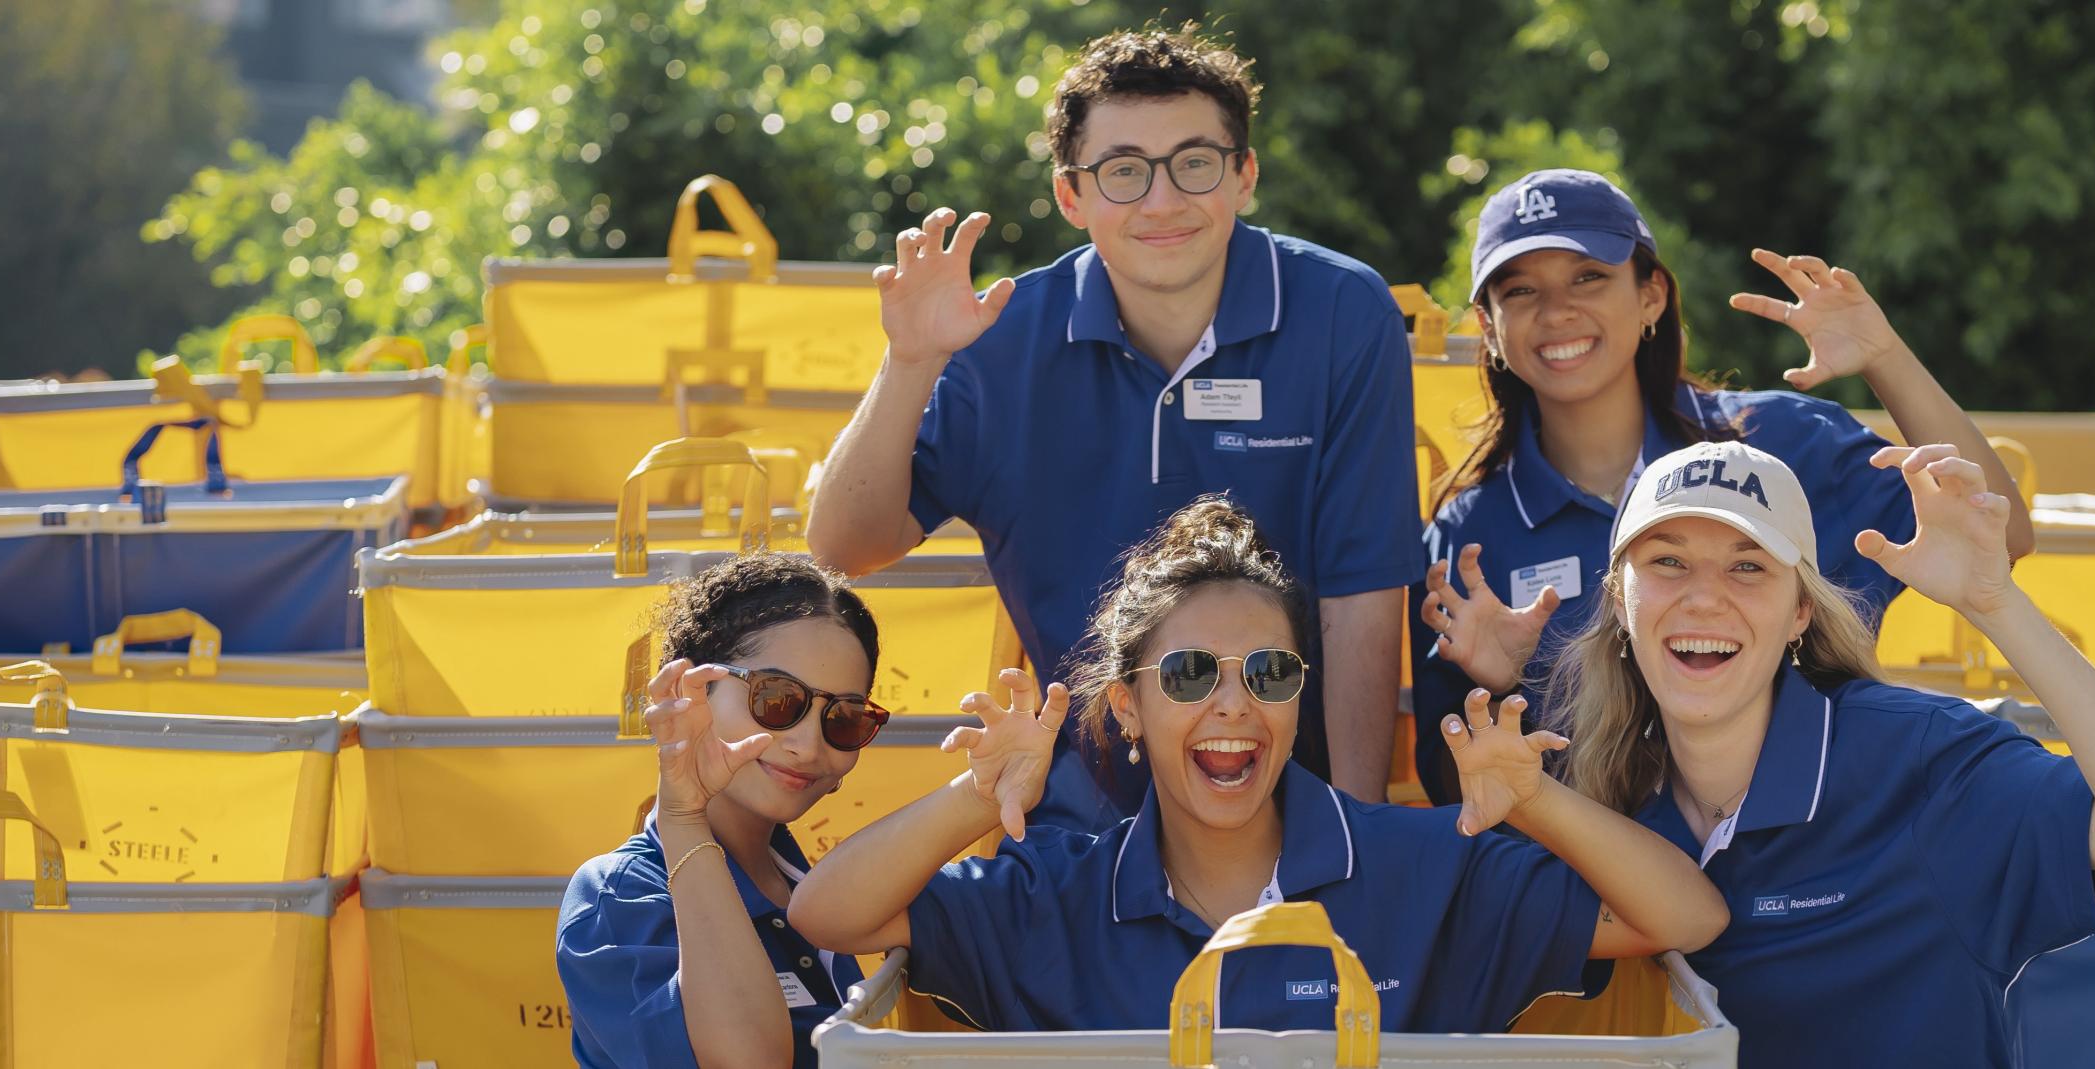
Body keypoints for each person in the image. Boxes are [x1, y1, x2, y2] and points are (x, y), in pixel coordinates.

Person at [787, 496, 1725, 1033]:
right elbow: (829, 911)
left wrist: (1532, 803)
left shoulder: (1428, 862)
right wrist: (975, 798)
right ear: (1129, 706)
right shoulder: (1053, 892)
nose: (1233, 704)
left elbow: (1686, 913)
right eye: (1190, 673)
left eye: (1270, 673)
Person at [807, 25, 1419, 829]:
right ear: (1071, 196)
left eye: (1195, 164)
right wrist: (910, 361)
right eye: (1124, 172)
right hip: (1084, 817)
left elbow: (1361, 598)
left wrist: (1352, 838)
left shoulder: (1344, 313)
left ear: (1245, 176)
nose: (1162, 201)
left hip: (1290, 807)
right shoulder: (1003, 338)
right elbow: (843, 548)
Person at [1554, 437, 2095, 1066]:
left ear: (1799, 613)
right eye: (1668, 561)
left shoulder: (1919, 760)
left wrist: (1995, 604)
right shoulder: (1599, 793)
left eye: (1748, 565)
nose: (1704, 596)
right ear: (1619, 602)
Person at [1408, 168, 2035, 805]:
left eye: (1588, 276)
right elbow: (1455, 792)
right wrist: (1504, 686)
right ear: (1487, 327)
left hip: (1821, 862)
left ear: (1651, 295)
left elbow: (2000, 534)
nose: (1557, 311)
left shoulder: (1781, 441)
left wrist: (1885, 356)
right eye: (1520, 291)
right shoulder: (1468, 537)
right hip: (1612, 893)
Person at [557, 555, 893, 1069]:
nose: (807, 745)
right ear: (688, 692)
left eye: (844, 719)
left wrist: (983, 791)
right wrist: (684, 817)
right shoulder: (618, 897)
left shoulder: (804, 882)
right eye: (778, 700)